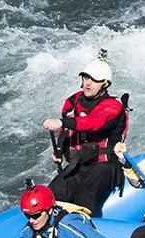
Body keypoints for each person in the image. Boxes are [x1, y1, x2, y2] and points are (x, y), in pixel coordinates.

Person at [40, 53, 128, 217]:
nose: (88, 83)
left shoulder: (113, 107)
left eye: (94, 80)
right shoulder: (73, 101)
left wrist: (62, 122)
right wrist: (59, 148)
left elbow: (92, 122)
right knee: (50, 196)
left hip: (104, 167)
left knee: (85, 202)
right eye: (86, 78)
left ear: (105, 84)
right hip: (79, 165)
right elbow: (66, 131)